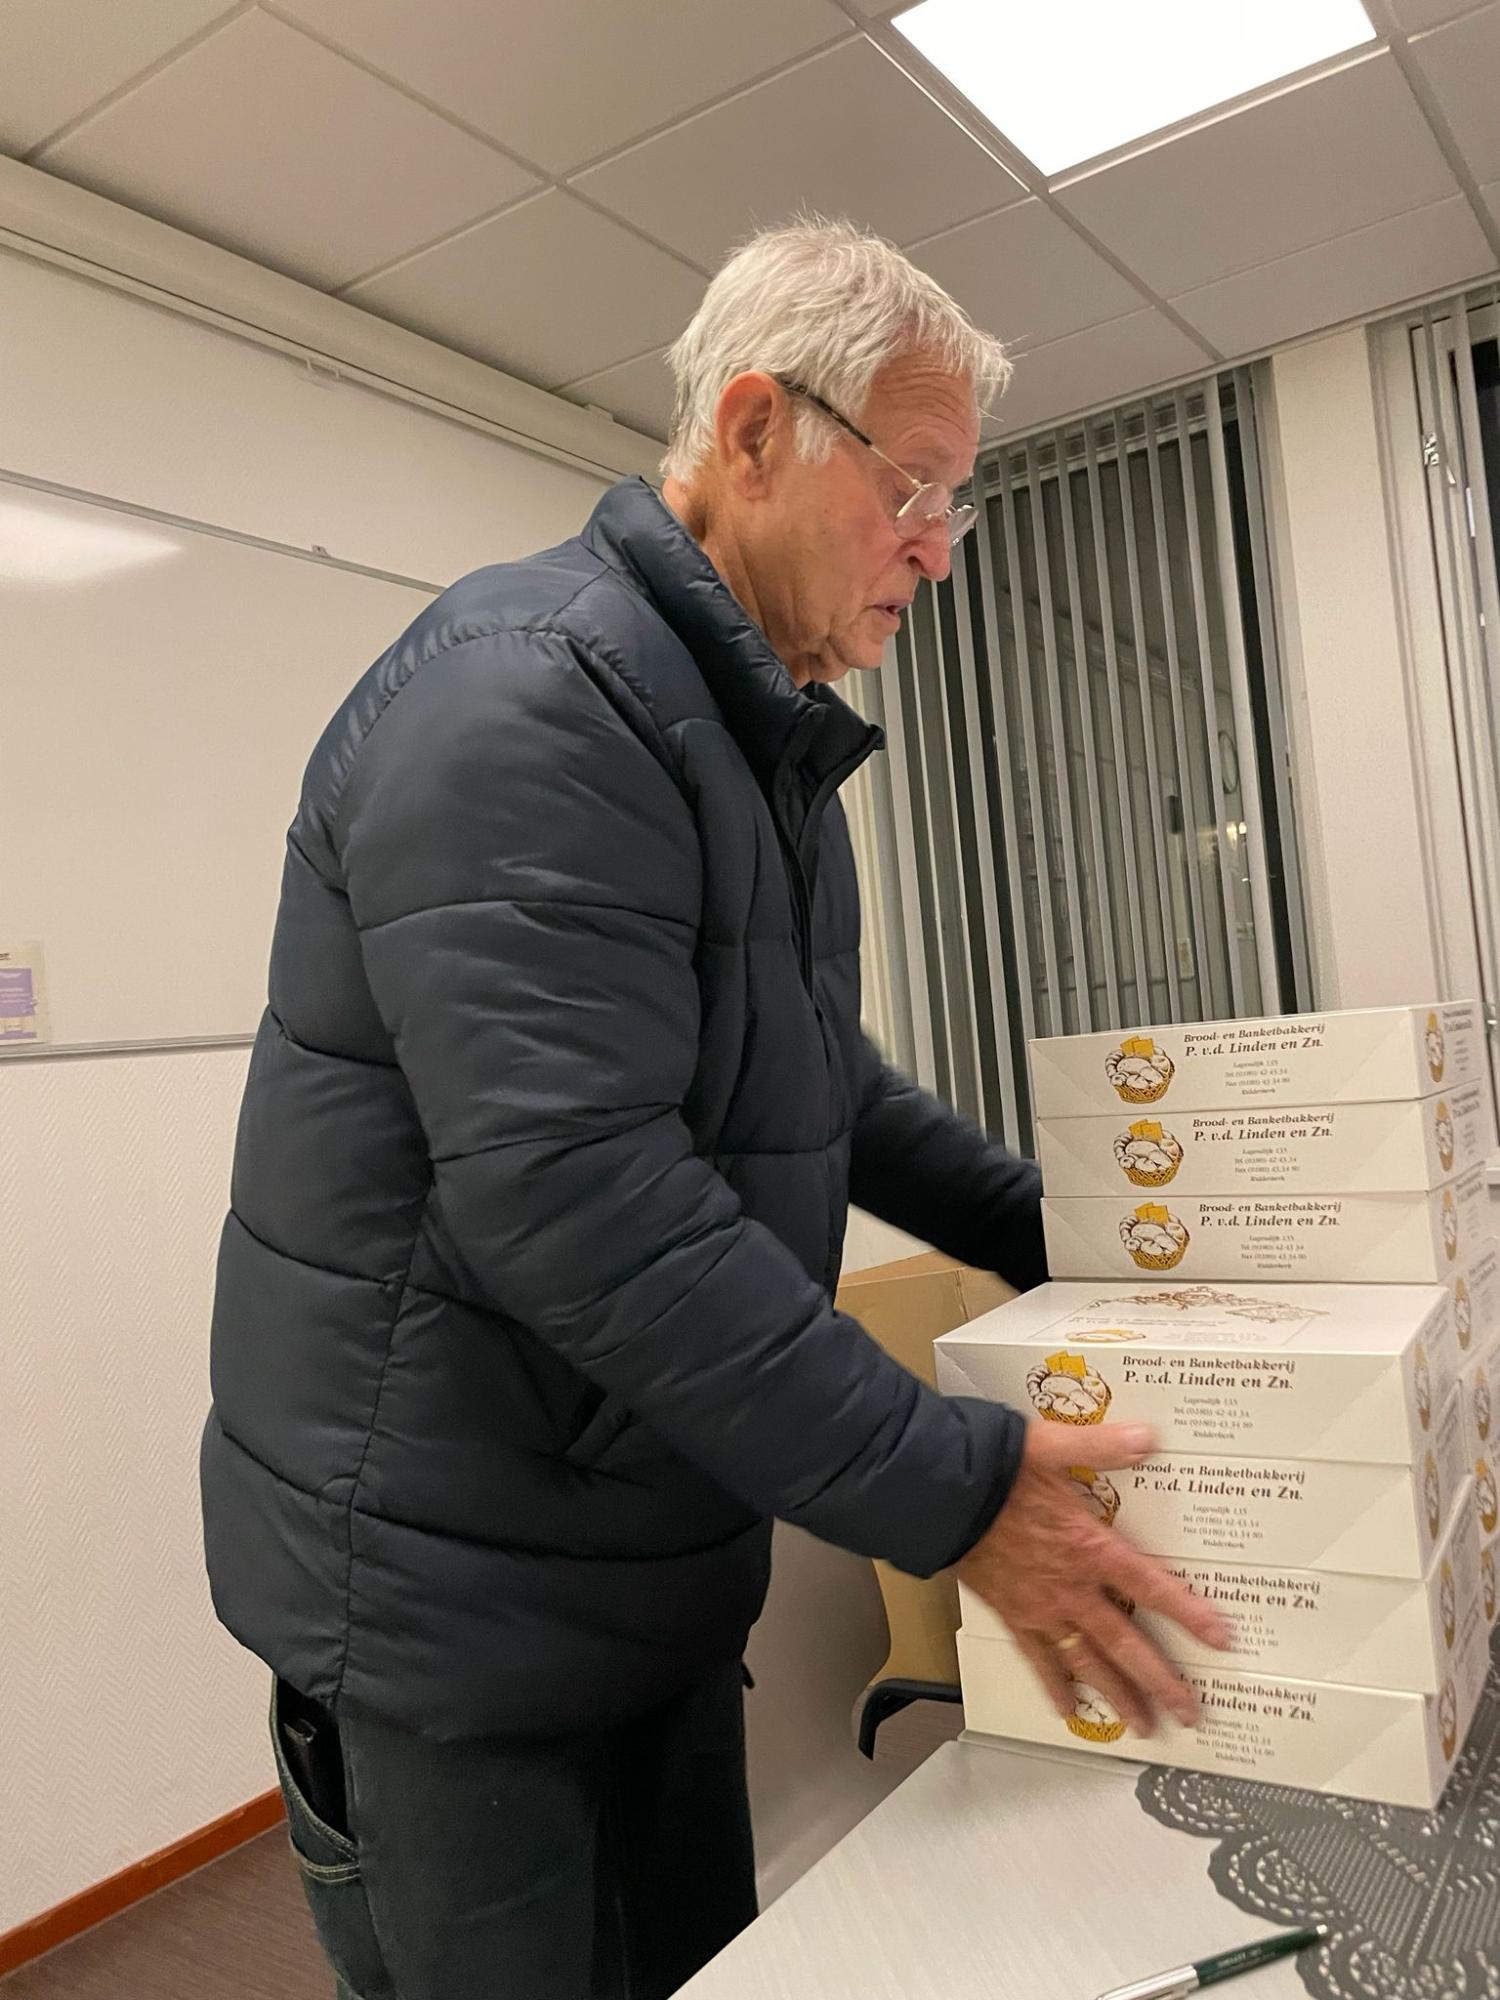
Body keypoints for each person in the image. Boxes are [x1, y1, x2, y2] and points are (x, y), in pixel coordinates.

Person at [201, 216, 1228, 2000]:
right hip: (453, 1611)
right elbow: (581, 1199)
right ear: (756, 431)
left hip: (638, 1561)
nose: (940, 546)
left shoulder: (753, 742)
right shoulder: (527, 702)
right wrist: (963, 1493)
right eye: (913, 486)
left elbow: (824, 1087)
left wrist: (1090, 1239)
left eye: (958, 502)